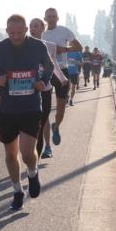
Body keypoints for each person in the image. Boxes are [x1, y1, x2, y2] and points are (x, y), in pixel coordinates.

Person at [0, 14, 55, 211]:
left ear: (26, 29)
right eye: (12, 33)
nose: (16, 36)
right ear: (7, 31)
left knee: (27, 153)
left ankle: (32, 173)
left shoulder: (37, 46)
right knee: (11, 154)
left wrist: (43, 80)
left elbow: (49, 66)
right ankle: (17, 190)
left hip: (30, 106)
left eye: (19, 32)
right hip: (7, 109)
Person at [40, 8, 82, 145]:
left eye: (53, 16)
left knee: (61, 107)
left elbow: (79, 46)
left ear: (57, 18)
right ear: (45, 19)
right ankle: (46, 144)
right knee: (44, 108)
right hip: (45, 72)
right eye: (48, 17)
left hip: (62, 71)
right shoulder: (41, 34)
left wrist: (64, 49)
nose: (51, 19)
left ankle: (56, 125)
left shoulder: (64, 31)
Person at [29, 17, 67, 159]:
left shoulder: (50, 45)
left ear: (42, 29)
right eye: (31, 26)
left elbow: (54, 65)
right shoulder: (24, 45)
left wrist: (62, 78)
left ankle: (47, 147)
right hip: (29, 88)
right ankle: (32, 152)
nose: (33, 28)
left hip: (45, 87)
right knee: (33, 121)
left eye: (36, 26)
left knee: (44, 119)